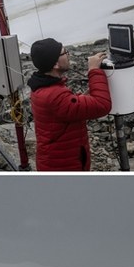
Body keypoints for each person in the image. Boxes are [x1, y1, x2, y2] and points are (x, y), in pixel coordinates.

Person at [28, 38, 112, 171]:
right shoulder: (55, 95)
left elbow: (65, 108)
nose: (68, 55)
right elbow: (102, 105)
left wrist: (79, 98)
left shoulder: (41, 87)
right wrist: (94, 70)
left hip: (56, 161)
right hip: (64, 166)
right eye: (64, 52)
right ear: (55, 64)